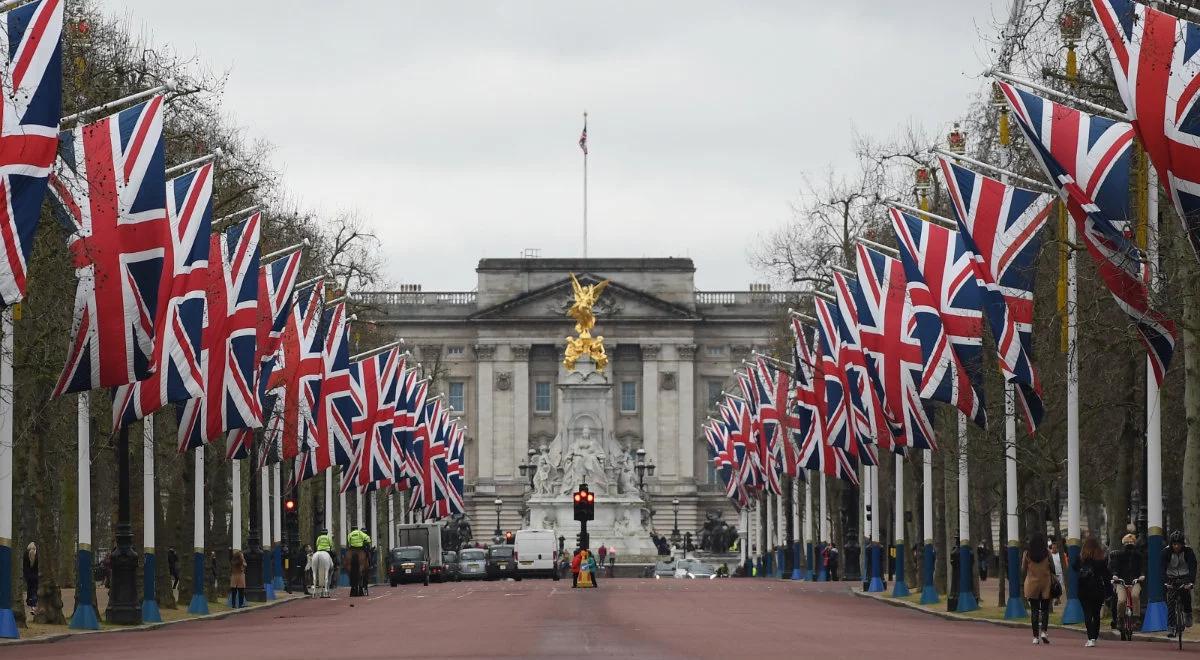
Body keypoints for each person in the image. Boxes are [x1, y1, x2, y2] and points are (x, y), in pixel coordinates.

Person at [1072, 536, 1112, 647]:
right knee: (1096, 614)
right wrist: (1109, 591)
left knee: (1087, 613)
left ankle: (1090, 638)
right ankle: (1095, 636)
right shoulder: (1100, 559)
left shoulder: (1080, 558)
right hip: (1098, 589)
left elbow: (1074, 567)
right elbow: (1106, 575)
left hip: (1083, 588)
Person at [1163, 530, 1197, 638]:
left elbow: (1193, 568)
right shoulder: (1165, 552)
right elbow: (1161, 569)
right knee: (1171, 601)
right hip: (1170, 577)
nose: (1176, 546)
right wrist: (1165, 582)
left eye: (1178, 544)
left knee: (1185, 595)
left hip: (1185, 577)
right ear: (1171, 544)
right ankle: (1171, 627)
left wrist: (1191, 582)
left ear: (1182, 544)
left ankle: (1188, 613)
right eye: (1174, 544)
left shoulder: (1188, 552)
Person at [1023, 531, 1055, 645]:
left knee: (1034, 611)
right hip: (1045, 584)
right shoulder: (1047, 553)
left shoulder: (1027, 553)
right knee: (1045, 610)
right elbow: (1052, 567)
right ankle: (1044, 632)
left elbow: (1023, 568)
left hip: (1032, 584)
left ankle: (1035, 637)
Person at [1108, 533, 1143, 629]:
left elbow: (1142, 568)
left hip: (1135, 581)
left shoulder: (1138, 556)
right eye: (1127, 543)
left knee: (1135, 595)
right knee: (1121, 600)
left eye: (1132, 542)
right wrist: (1115, 575)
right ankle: (1120, 618)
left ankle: (1136, 617)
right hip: (1121, 582)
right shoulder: (1118, 555)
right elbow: (1114, 566)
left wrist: (1141, 576)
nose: (1130, 545)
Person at [22, 542, 37, 610]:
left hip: (28, 575)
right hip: (35, 574)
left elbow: (24, 565)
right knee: (34, 588)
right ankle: (33, 603)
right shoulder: (36, 554)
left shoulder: (26, 554)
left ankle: (28, 600)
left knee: (29, 587)